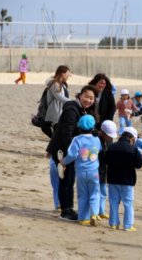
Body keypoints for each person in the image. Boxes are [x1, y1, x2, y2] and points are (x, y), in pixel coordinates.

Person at [46, 85, 97, 221]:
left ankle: (68, 208)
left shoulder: (83, 110)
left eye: (91, 98)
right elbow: (66, 134)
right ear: (80, 95)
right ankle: (65, 210)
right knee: (66, 179)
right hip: (63, 150)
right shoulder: (72, 109)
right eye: (86, 96)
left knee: (69, 179)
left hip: (69, 149)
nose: (88, 100)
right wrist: (72, 154)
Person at [61, 115, 102, 226]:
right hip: (94, 172)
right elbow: (99, 150)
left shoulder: (77, 139)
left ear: (79, 127)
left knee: (82, 194)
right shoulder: (97, 139)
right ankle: (94, 213)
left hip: (81, 172)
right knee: (95, 193)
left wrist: (63, 162)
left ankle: (83, 218)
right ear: (93, 127)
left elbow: (72, 155)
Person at [105, 127, 142, 231]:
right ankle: (127, 225)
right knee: (128, 203)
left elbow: (105, 160)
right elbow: (139, 164)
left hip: (113, 179)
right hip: (127, 180)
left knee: (113, 202)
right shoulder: (133, 149)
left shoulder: (111, 147)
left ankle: (113, 223)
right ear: (131, 139)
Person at [45, 65, 71, 210]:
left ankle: (53, 153)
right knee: (56, 139)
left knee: (56, 140)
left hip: (59, 114)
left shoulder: (61, 84)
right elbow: (59, 98)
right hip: (56, 116)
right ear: (62, 73)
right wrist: (74, 103)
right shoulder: (55, 84)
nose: (69, 75)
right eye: (68, 73)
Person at [97, 120, 118, 219]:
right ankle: (94, 211)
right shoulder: (96, 139)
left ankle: (101, 210)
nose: (110, 137)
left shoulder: (109, 141)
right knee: (95, 192)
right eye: (109, 135)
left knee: (103, 191)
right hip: (96, 170)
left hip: (105, 170)